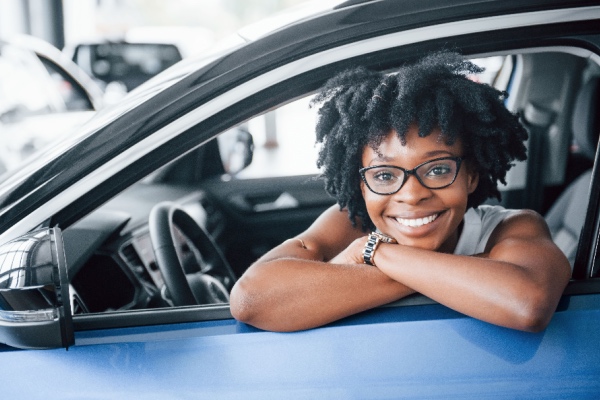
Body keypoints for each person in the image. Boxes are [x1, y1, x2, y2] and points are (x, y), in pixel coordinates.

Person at [229, 51, 571, 333]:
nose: (411, 195)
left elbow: (528, 303)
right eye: (384, 175)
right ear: (362, 185)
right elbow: (251, 299)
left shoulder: (511, 228)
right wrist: (456, 276)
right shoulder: (353, 220)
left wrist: (374, 253)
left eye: (438, 169)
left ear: (470, 176)